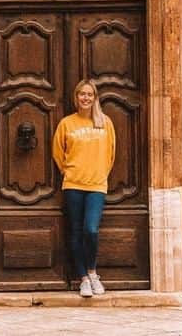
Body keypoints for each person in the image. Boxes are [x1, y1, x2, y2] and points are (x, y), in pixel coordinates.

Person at [51, 78, 116, 298]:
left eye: (89, 94)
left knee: (91, 230)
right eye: (82, 94)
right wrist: (68, 172)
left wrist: (100, 173)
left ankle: (93, 272)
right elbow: (58, 152)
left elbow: (111, 153)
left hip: (97, 184)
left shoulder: (105, 122)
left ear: (95, 98)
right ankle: (83, 279)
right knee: (76, 232)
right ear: (76, 98)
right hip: (73, 184)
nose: (85, 98)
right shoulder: (67, 123)